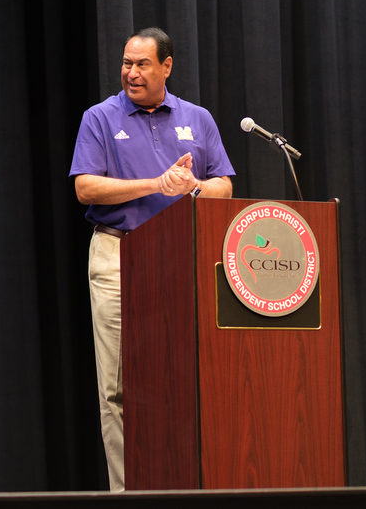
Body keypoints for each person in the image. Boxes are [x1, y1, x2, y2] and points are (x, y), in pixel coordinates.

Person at [69, 27, 235, 491]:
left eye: (142, 64)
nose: (131, 73)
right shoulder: (100, 117)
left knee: (184, 380)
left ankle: (184, 486)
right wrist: (155, 184)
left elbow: (223, 185)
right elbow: (86, 186)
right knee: (119, 389)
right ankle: (128, 494)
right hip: (118, 255)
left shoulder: (197, 119)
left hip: (184, 260)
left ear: (167, 66)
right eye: (126, 63)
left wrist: (194, 187)